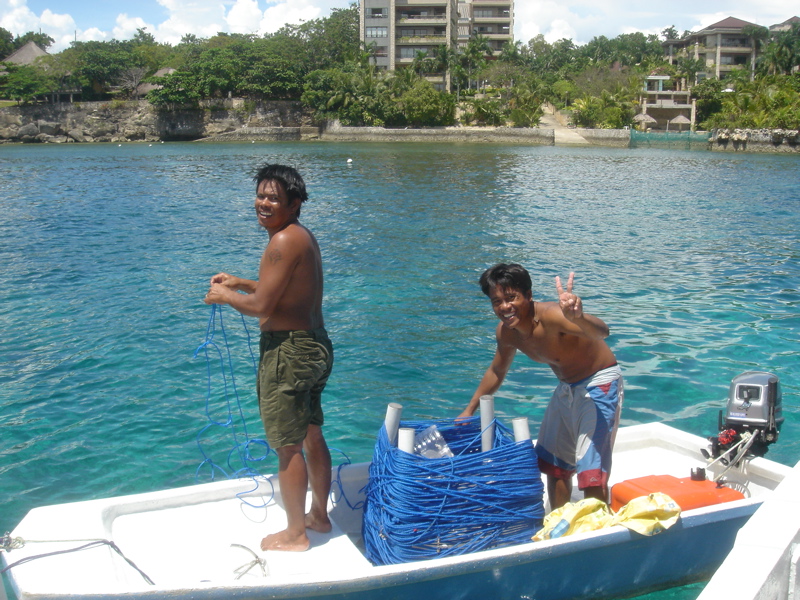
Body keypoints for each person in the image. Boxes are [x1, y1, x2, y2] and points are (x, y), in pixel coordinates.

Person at [204, 164, 333, 552]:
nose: (263, 203)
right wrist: (241, 283)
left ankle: (295, 535)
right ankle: (319, 516)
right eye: (260, 195)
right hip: (314, 345)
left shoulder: (282, 241)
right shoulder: (299, 236)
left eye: (274, 198)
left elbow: (262, 306)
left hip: (289, 352)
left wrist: (225, 296)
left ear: (294, 204)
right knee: (310, 433)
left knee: (288, 445)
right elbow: (281, 292)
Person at [459, 263, 623, 510]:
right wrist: (469, 410)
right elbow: (496, 371)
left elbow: (602, 332)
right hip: (567, 386)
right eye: (497, 301)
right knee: (554, 465)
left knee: (591, 470)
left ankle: (596, 526)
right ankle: (558, 521)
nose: (505, 307)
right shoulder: (507, 333)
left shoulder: (553, 316)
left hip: (600, 382)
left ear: (528, 295)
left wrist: (578, 317)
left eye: (511, 298)